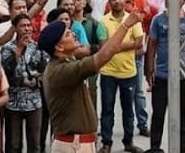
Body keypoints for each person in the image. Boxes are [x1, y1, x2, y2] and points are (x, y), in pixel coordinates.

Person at [39, 8, 146, 153]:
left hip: (78, 144)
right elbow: (104, 55)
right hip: (73, 146)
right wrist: (126, 25)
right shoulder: (61, 70)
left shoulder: (66, 62)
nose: (74, 34)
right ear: (59, 47)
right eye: (67, 34)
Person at [144, 0, 185, 153]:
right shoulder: (158, 20)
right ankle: (155, 147)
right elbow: (152, 46)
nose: (178, 0)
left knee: (184, 114)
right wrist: (150, 70)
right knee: (158, 114)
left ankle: (182, 147)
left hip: (184, 76)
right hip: (162, 76)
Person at [97, 0, 146, 153]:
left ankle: (128, 142)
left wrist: (114, 46)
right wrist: (122, 46)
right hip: (108, 73)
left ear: (125, 0)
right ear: (109, 2)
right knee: (107, 110)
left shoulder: (133, 19)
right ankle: (106, 143)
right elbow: (103, 47)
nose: (117, 1)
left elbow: (139, 43)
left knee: (128, 111)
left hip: (128, 72)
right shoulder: (103, 22)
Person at [0, 14, 49, 153]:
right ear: (15, 28)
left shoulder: (38, 47)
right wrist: (18, 51)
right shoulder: (7, 48)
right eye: (23, 26)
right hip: (13, 103)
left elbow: (45, 70)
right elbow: (7, 74)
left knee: (35, 144)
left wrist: (36, 80)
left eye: (29, 26)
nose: (27, 29)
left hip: (34, 102)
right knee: (13, 145)